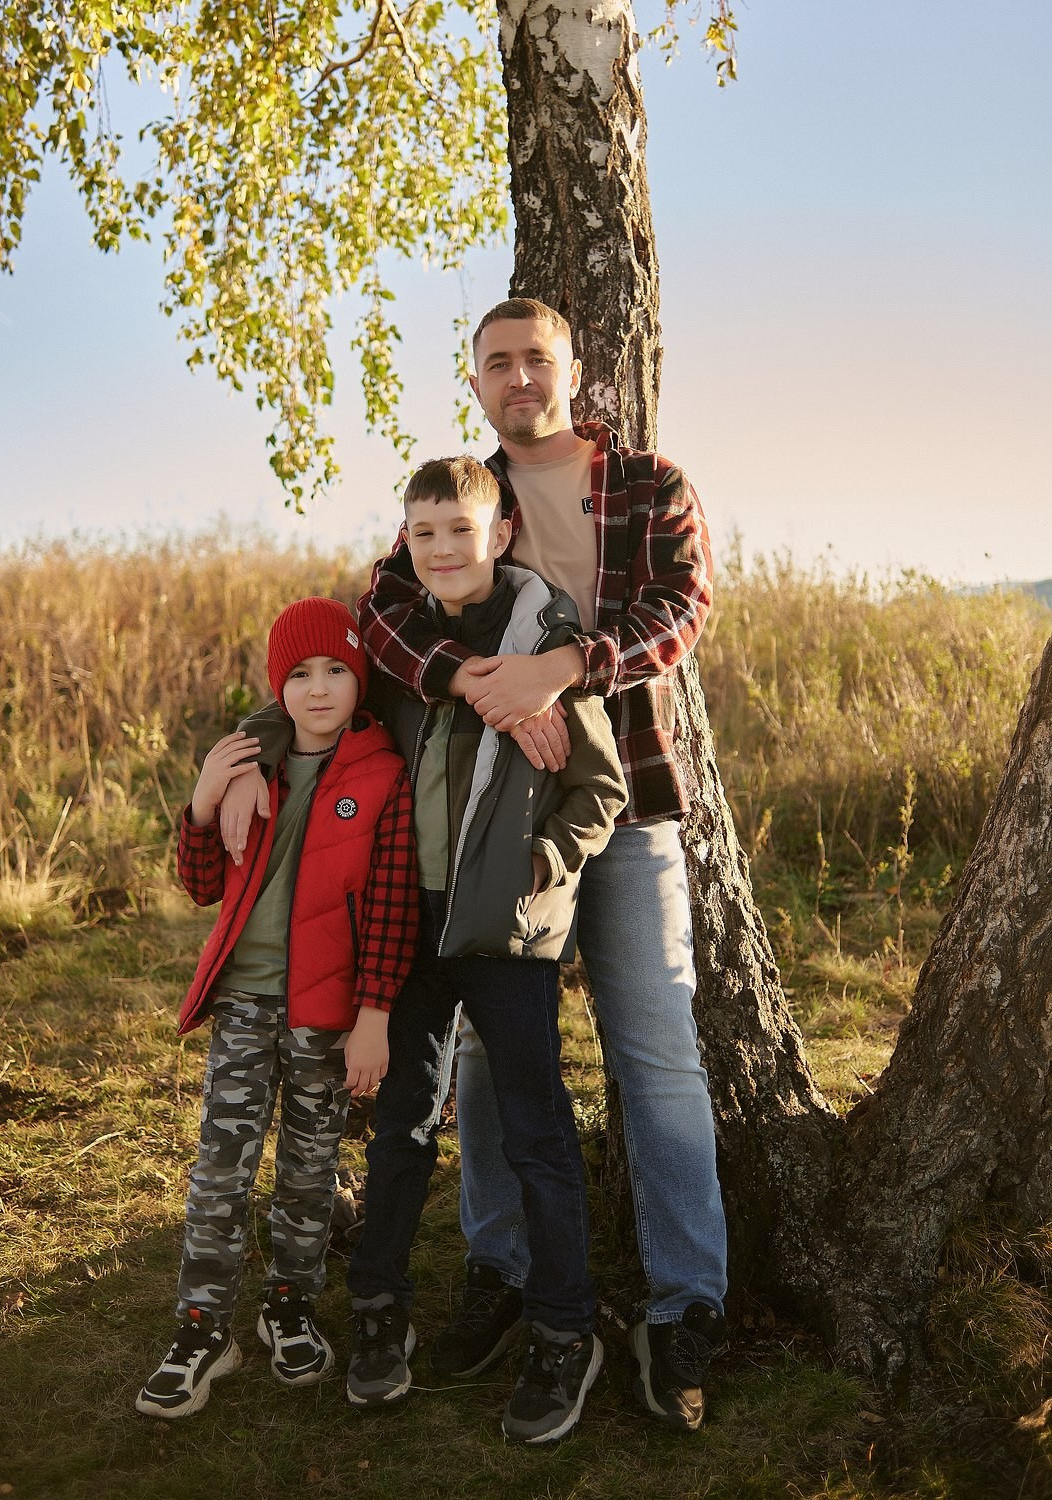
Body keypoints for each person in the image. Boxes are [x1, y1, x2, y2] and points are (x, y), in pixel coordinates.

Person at [355, 299, 729, 1432]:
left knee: (655, 1049)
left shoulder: (651, 484)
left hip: (632, 798)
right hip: (490, 833)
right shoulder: (471, 497)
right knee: (483, 1057)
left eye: (538, 360)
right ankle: (505, 1275)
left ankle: (683, 1308)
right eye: (498, 363)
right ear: (475, 379)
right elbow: (381, 609)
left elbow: (683, 607)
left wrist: (562, 667)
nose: (520, 379)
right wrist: (476, 684)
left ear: (574, 369)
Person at [231, 458, 627, 1444]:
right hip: (402, 931)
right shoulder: (393, 649)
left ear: (499, 537)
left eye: (462, 529)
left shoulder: (545, 647)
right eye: (425, 532)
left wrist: (543, 859)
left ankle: (565, 1333)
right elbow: (308, 708)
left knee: (538, 1134)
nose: (444, 548)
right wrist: (230, 757)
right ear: (406, 541)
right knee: (404, 1124)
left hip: (508, 937)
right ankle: (379, 1314)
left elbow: (601, 790)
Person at [135, 597, 418, 1420]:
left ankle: (288, 1305)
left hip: (328, 1013)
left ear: (358, 677)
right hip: (246, 1002)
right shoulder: (248, 762)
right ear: (277, 686)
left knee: (308, 1167)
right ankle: (202, 1328)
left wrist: (373, 1016)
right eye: (298, 675)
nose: (319, 689)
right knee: (220, 1168)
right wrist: (201, 799)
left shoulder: (383, 773)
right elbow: (199, 886)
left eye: (335, 670)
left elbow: (395, 908)